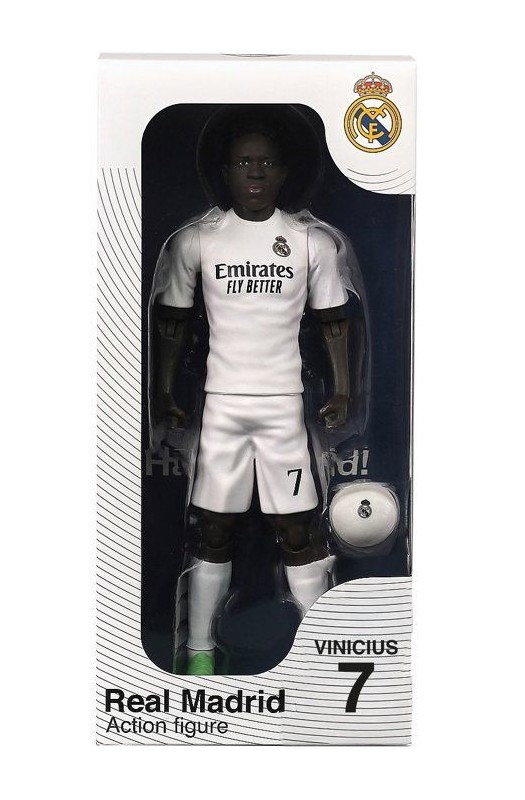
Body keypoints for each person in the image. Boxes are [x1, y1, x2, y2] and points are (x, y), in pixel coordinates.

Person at [151, 115, 355, 675]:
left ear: (284, 171)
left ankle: (320, 653)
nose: (256, 172)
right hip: (221, 407)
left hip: (283, 407)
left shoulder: (311, 242)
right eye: (244, 162)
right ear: (226, 171)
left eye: (266, 162)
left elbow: (334, 320)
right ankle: (198, 652)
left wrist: (342, 389)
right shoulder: (198, 241)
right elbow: (171, 320)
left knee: (299, 530)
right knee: (212, 529)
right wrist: (163, 392)